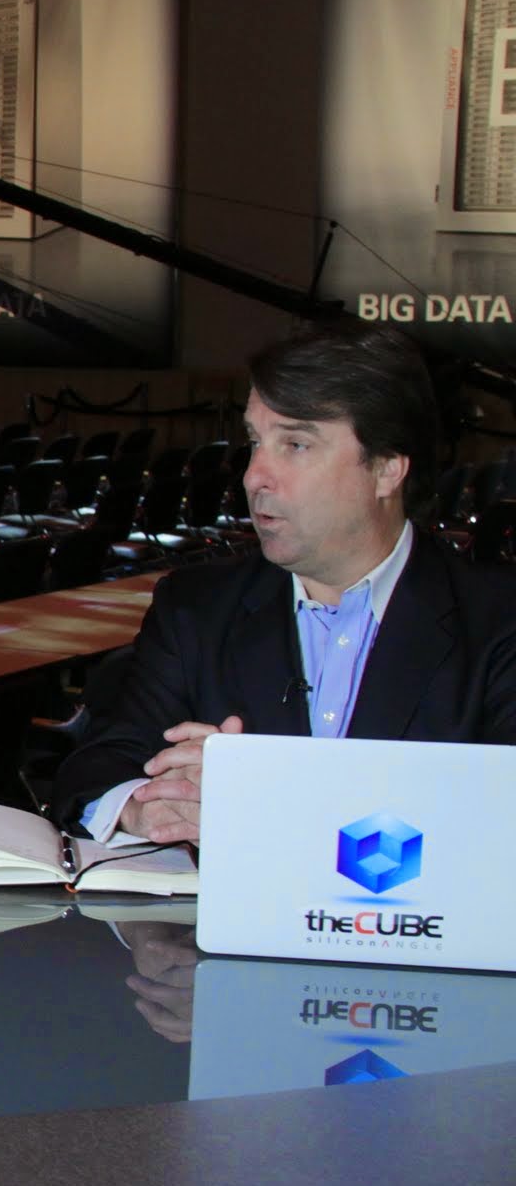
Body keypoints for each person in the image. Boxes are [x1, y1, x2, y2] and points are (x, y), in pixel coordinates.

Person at [52, 320, 516, 844]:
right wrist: (144, 807)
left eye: (295, 444)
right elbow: (97, 767)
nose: (254, 476)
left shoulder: (498, 621)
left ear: (387, 468)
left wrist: (268, 795)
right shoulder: (197, 607)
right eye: (255, 441)